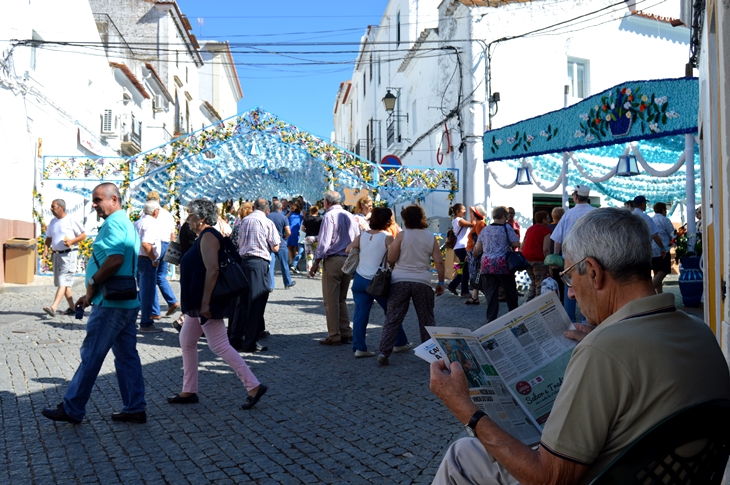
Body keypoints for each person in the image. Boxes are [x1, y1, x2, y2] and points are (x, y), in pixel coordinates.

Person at [430, 207, 730, 484]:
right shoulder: (700, 331)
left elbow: (550, 479)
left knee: (463, 454)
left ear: (594, 272)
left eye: (570, 277)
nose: (571, 293)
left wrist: (465, 408)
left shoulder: (604, 351)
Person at [41, 182, 147, 424]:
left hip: (111, 305)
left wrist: (92, 285)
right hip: (125, 302)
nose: (94, 204)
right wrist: (90, 294)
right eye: (94, 199)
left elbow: (115, 259)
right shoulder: (125, 222)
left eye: (98, 199)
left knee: (92, 356)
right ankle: (134, 407)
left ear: (114, 200)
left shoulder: (115, 223)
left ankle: (73, 407)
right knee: (127, 357)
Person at [168, 199, 267, 410]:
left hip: (206, 301)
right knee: (186, 340)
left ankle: (253, 386)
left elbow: (212, 270)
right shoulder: (204, 236)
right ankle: (189, 390)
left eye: (190, 216)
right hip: (197, 302)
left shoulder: (208, 236)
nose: (187, 220)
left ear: (202, 218)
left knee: (219, 345)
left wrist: (205, 303)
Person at [377, 205, 445, 365]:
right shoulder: (430, 237)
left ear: (406, 219)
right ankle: (431, 355)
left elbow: (391, 258)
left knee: (393, 317)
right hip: (422, 281)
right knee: (426, 319)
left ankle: (384, 352)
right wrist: (441, 282)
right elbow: (439, 262)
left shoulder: (402, 235)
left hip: (400, 280)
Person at [346, 207, 411, 358]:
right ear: (388, 220)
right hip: (377, 280)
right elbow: (393, 257)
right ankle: (400, 343)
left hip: (360, 279)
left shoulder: (362, 235)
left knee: (360, 315)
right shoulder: (388, 237)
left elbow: (348, 249)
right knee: (391, 313)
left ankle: (359, 348)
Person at [228, 198, 280, 352]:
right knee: (256, 303)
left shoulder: (243, 221)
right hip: (258, 263)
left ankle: (235, 339)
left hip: (244, 262)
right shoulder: (266, 222)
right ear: (267, 210)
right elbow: (275, 247)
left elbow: (238, 243)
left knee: (242, 303)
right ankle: (250, 341)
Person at [309, 191, 359, 346]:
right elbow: (357, 238)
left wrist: (316, 262)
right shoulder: (350, 216)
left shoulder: (329, 216)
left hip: (334, 260)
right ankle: (346, 332)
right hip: (348, 260)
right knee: (341, 299)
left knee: (331, 300)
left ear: (327, 202)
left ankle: (334, 335)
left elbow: (324, 243)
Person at [550, 184, 595, 322]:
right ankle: (587, 319)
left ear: (575, 196)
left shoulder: (568, 214)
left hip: (569, 260)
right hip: (590, 259)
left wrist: (555, 257)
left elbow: (557, 238)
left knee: (570, 288)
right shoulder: (595, 213)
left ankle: (569, 320)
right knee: (588, 289)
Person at [473, 206, 520, 323]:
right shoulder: (507, 227)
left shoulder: (485, 229)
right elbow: (515, 243)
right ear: (503, 216)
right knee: (510, 291)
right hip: (502, 264)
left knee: (491, 293)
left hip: (486, 264)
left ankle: (491, 319)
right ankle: (515, 315)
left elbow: (478, 248)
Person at [42, 199, 86, 317]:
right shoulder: (52, 222)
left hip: (69, 254)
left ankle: (54, 307)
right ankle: (72, 308)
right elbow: (49, 238)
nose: (51, 209)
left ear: (61, 207)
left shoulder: (71, 220)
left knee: (63, 280)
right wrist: (45, 250)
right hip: (56, 255)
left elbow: (83, 235)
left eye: (53, 206)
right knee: (63, 282)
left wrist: (72, 241)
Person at [146, 191, 179, 319]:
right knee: (161, 276)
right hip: (166, 245)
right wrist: (172, 253)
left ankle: (155, 311)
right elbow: (173, 235)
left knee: (151, 278)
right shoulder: (167, 214)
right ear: (159, 200)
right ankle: (172, 301)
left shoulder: (149, 214)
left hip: (155, 245)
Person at [134, 200, 164, 333]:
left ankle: (137, 318)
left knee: (141, 291)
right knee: (147, 292)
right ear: (155, 211)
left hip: (138, 259)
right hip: (146, 260)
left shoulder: (138, 222)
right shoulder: (151, 224)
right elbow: (146, 244)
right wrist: (153, 259)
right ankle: (146, 322)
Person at [522, 211, 552, 301]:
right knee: (540, 284)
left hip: (526, 259)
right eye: (547, 218)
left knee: (534, 282)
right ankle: (539, 305)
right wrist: (550, 265)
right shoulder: (546, 230)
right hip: (538, 260)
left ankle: (528, 303)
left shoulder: (530, 229)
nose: (549, 220)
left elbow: (522, 245)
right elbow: (545, 249)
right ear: (543, 220)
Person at [447, 203, 475, 298]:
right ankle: (464, 291)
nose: (465, 211)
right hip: (462, 247)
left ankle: (452, 285)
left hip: (459, 247)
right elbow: (472, 225)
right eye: (463, 210)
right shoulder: (459, 220)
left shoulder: (456, 220)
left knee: (462, 269)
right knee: (465, 270)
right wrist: (473, 214)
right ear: (457, 211)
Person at [267, 201, 295, 290]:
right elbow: (288, 232)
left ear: (272, 208)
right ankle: (287, 283)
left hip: (269, 243)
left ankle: (270, 285)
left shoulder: (267, 217)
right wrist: (284, 238)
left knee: (271, 265)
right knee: (284, 264)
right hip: (281, 242)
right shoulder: (283, 217)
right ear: (280, 208)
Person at [465, 205, 487, 305]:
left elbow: (479, 239)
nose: (470, 214)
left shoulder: (480, 224)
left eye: (472, 213)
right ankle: (475, 296)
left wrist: (475, 251)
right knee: (475, 273)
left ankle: (476, 296)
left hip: (475, 252)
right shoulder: (478, 224)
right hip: (472, 252)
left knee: (475, 273)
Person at [651, 202, 675, 294]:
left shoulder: (651, 220)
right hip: (663, 249)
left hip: (652, 250)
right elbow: (672, 234)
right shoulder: (665, 220)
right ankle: (650, 289)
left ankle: (659, 294)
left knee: (656, 272)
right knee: (663, 271)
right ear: (663, 210)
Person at [548, 207, 565, 301]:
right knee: (563, 285)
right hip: (562, 260)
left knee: (554, 284)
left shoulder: (548, 228)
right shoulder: (564, 228)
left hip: (551, 260)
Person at [302, 205, 322, 274]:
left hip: (309, 237)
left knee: (309, 255)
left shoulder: (306, 219)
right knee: (319, 254)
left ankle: (309, 270)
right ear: (317, 211)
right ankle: (320, 270)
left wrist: (307, 231)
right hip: (317, 238)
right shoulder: (320, 219)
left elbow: (302, 229)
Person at [287, 202, 305, 273]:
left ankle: (291, 261)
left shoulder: (290, 214)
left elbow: (285, 218)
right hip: (297, 232)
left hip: (290, 231)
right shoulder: (300, 216)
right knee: (296, 248)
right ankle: (295, 263)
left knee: (289, 247)